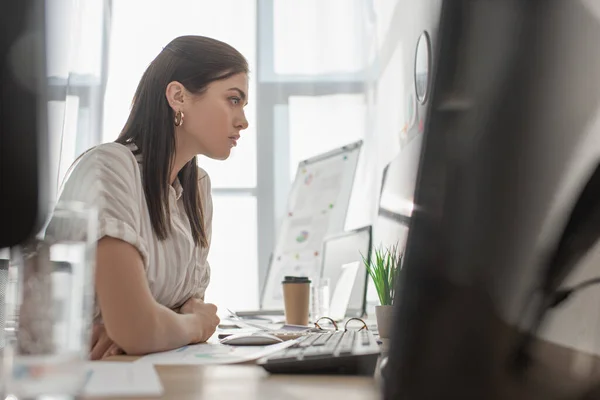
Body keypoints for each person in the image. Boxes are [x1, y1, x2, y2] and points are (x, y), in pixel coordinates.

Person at [52, 35, 249, 359]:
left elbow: (167, 319)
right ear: (178, 96)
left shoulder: (197, 188)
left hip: (143, 372)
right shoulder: (111, 167)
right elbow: (142, 328)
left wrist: (152, 328)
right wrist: (186, 326)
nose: (242, 120)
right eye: (232, 99)